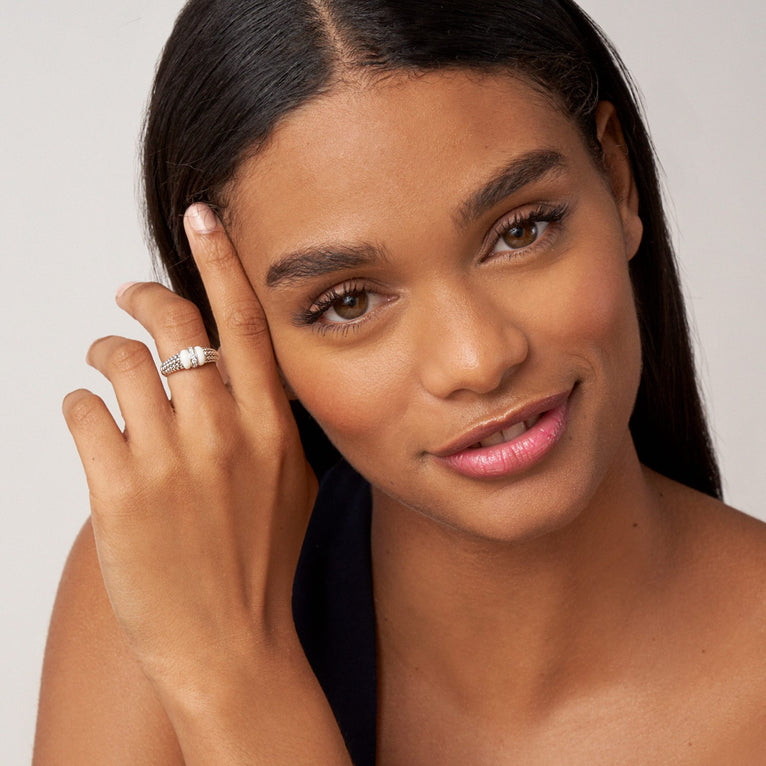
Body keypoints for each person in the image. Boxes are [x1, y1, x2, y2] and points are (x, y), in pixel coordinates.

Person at [34, 0, 766, 762]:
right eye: (346, 302)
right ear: (247, 339)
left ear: (616, 183)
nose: (477, 359)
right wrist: (221, 660)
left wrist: (237, 690)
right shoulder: (178, 582)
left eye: (521, 231)